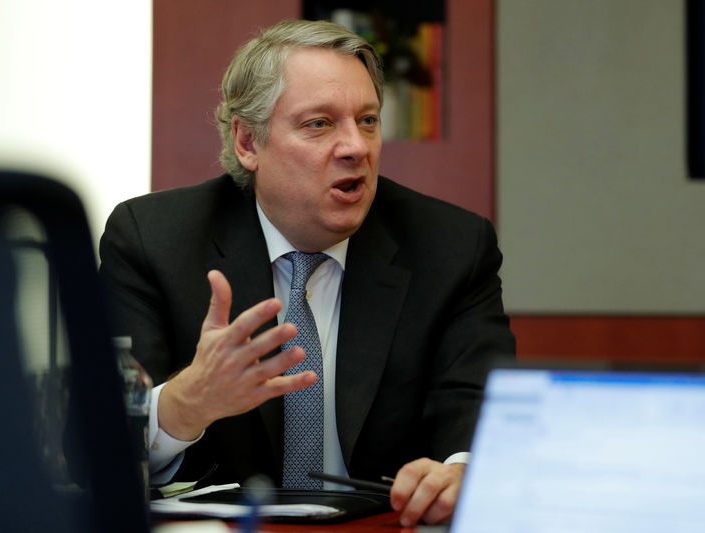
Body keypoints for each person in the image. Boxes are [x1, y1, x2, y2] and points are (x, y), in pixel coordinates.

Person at [99, 19, 515, 526]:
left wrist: (463, 470)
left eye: (367, 121)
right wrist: (185, 404)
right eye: (319, 124)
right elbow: (97, 439)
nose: (356, 147)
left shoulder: (450, 246)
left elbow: (479, 402)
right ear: (249, 142)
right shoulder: (152, 240)